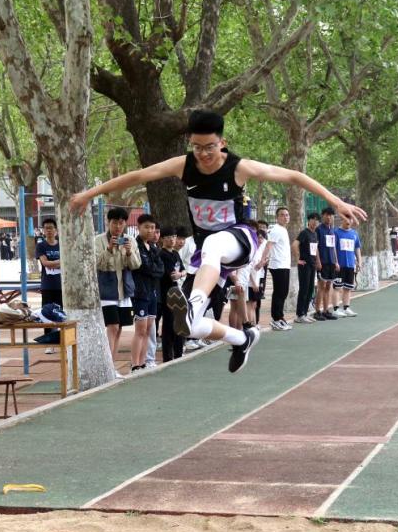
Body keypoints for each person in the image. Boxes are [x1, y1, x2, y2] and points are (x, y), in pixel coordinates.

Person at [70, 110, 366, 373]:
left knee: (212, 245)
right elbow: (138, 175)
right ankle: (241, 338)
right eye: (197, 147)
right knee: (188, 326)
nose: (203, 154)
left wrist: (336, 201)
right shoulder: (184, 165)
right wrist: (89, 194)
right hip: (209, 256)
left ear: (222, 142)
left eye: (209, 147)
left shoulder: (239, 167)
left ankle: (194, 302)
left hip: (239, 239)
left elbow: (294, 176)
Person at [95, 207, 140, 376]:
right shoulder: (98, 240)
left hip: (125, 290)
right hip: (107, 290)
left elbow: (136, 265)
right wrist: (108, 249)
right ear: (108, 222)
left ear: (125, 224)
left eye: (121, 223)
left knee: (119, 328)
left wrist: (129, 252)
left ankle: (111, 366)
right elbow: (97, 264)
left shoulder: (130, 240)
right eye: (114, 223)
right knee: (112, 326)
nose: (118, 227)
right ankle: (107, 367)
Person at [130, 214, 164, 372]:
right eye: (146, 227)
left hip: (152, 293)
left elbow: (160, 269)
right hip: (140, 293)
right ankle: (135, 365)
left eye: (152, 228)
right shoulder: (135, 246)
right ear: (139, 227)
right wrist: (152, 270)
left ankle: (143, 363)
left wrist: (153, 270)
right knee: (140, 329)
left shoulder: (154, 248)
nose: (150, 231)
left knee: (149, 329)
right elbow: (143, 267)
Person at [158, 227, 185, 362]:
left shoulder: (176, 254)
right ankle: (168, 357)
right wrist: (178, 275)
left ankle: (179, 353)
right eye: (169, 237)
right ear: (162, 239)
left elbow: (183, 271)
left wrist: (180, 274)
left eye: (174, 236)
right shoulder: (161, 254)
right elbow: (170, 275)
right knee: (168, 325)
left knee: (179, 322)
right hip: (166, 293)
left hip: (177, 293)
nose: (172, 240)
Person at [265, 207, 292, 331]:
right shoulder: (276, 229)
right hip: (277, 265)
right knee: (279, 292)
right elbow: (269, 245)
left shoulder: (283, 229)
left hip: (284, 265)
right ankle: (276, 319)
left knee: (283, 292)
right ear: (277, 217)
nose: (285, 217)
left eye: (287, 215)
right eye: (282, 215)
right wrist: (263, 260)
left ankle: (280, 317)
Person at [292, 213, 319, 323]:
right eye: (313, 219)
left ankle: (305, 313)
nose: (315, 222)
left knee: (310, 289)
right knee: (304, 289)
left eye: (317, 220)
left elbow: (315, 249)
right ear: (309, 220)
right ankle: (299, 315)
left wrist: (317, 261)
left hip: (312, 265)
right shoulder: (304, 233)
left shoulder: (315, 234)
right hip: (304, 265)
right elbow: (294, 245)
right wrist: (298, 259)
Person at [333, 215, 362, 317]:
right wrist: (336, 262)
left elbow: (357, 248)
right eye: (346, 219)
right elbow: (333, 248)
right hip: (339, 266)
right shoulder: (336, 232)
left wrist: (359, 262)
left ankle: (346, 308)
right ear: (342, 220)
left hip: (350, 265)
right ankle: (336, 309)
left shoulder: (354, 233)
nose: (348, 221)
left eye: (350, 219)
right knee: (337, 287)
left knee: (348, 288)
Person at [314, 208, 339, 320]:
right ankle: (317, 311)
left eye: (331, 215)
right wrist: (318, 261)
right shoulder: (318, 230)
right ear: (322, 216)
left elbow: (333, 247)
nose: (329, 217)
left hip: (331, 262)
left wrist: (336, 262)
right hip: (322, 263)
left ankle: (326, 310)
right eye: (326, 215)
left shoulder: (332, 230)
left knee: (329, 286)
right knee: (321, 286)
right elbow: (315, 247)